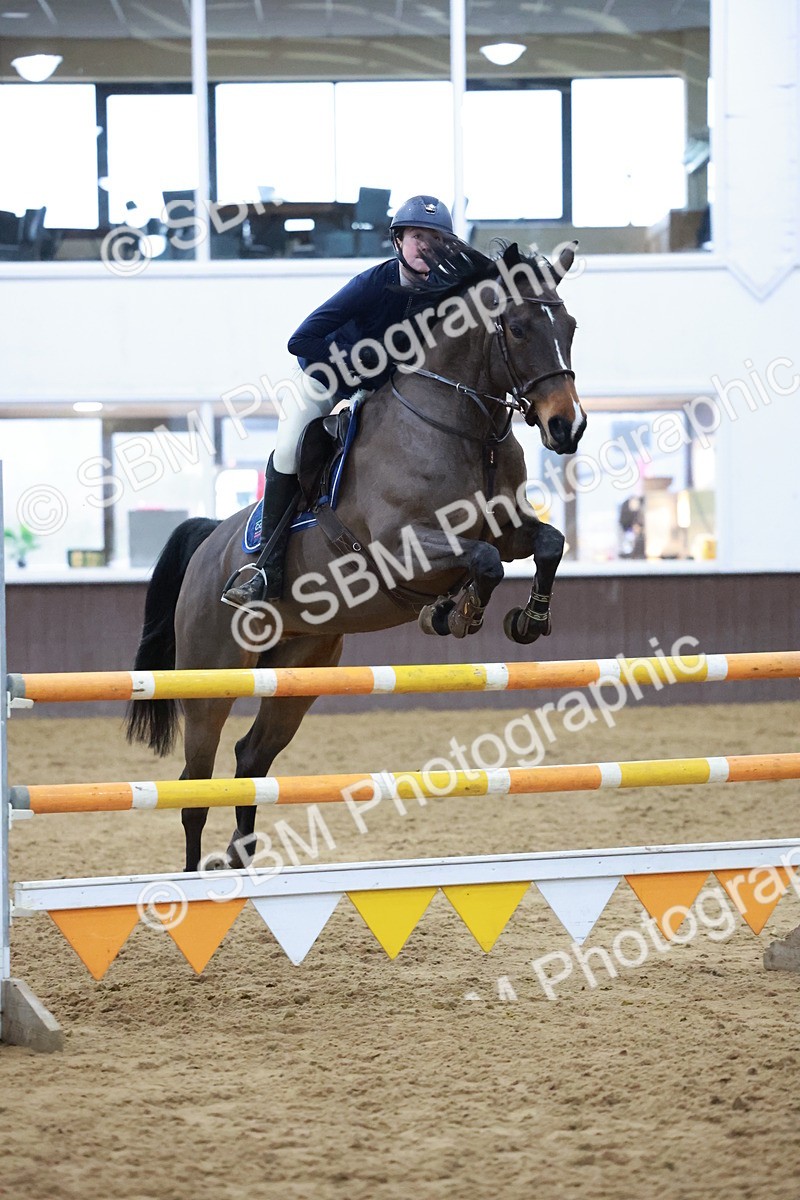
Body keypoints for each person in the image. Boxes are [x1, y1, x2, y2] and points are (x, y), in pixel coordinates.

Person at [221, 194, 454, 608]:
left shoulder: (445, 295)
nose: (426, 247)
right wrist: (350, 363)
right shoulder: (370, 284)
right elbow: (300, 339)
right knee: (291, 451)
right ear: (399, 242)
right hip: (324, 377)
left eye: (436, 239)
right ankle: (265, 569)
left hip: (380, 390)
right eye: (418, 236)